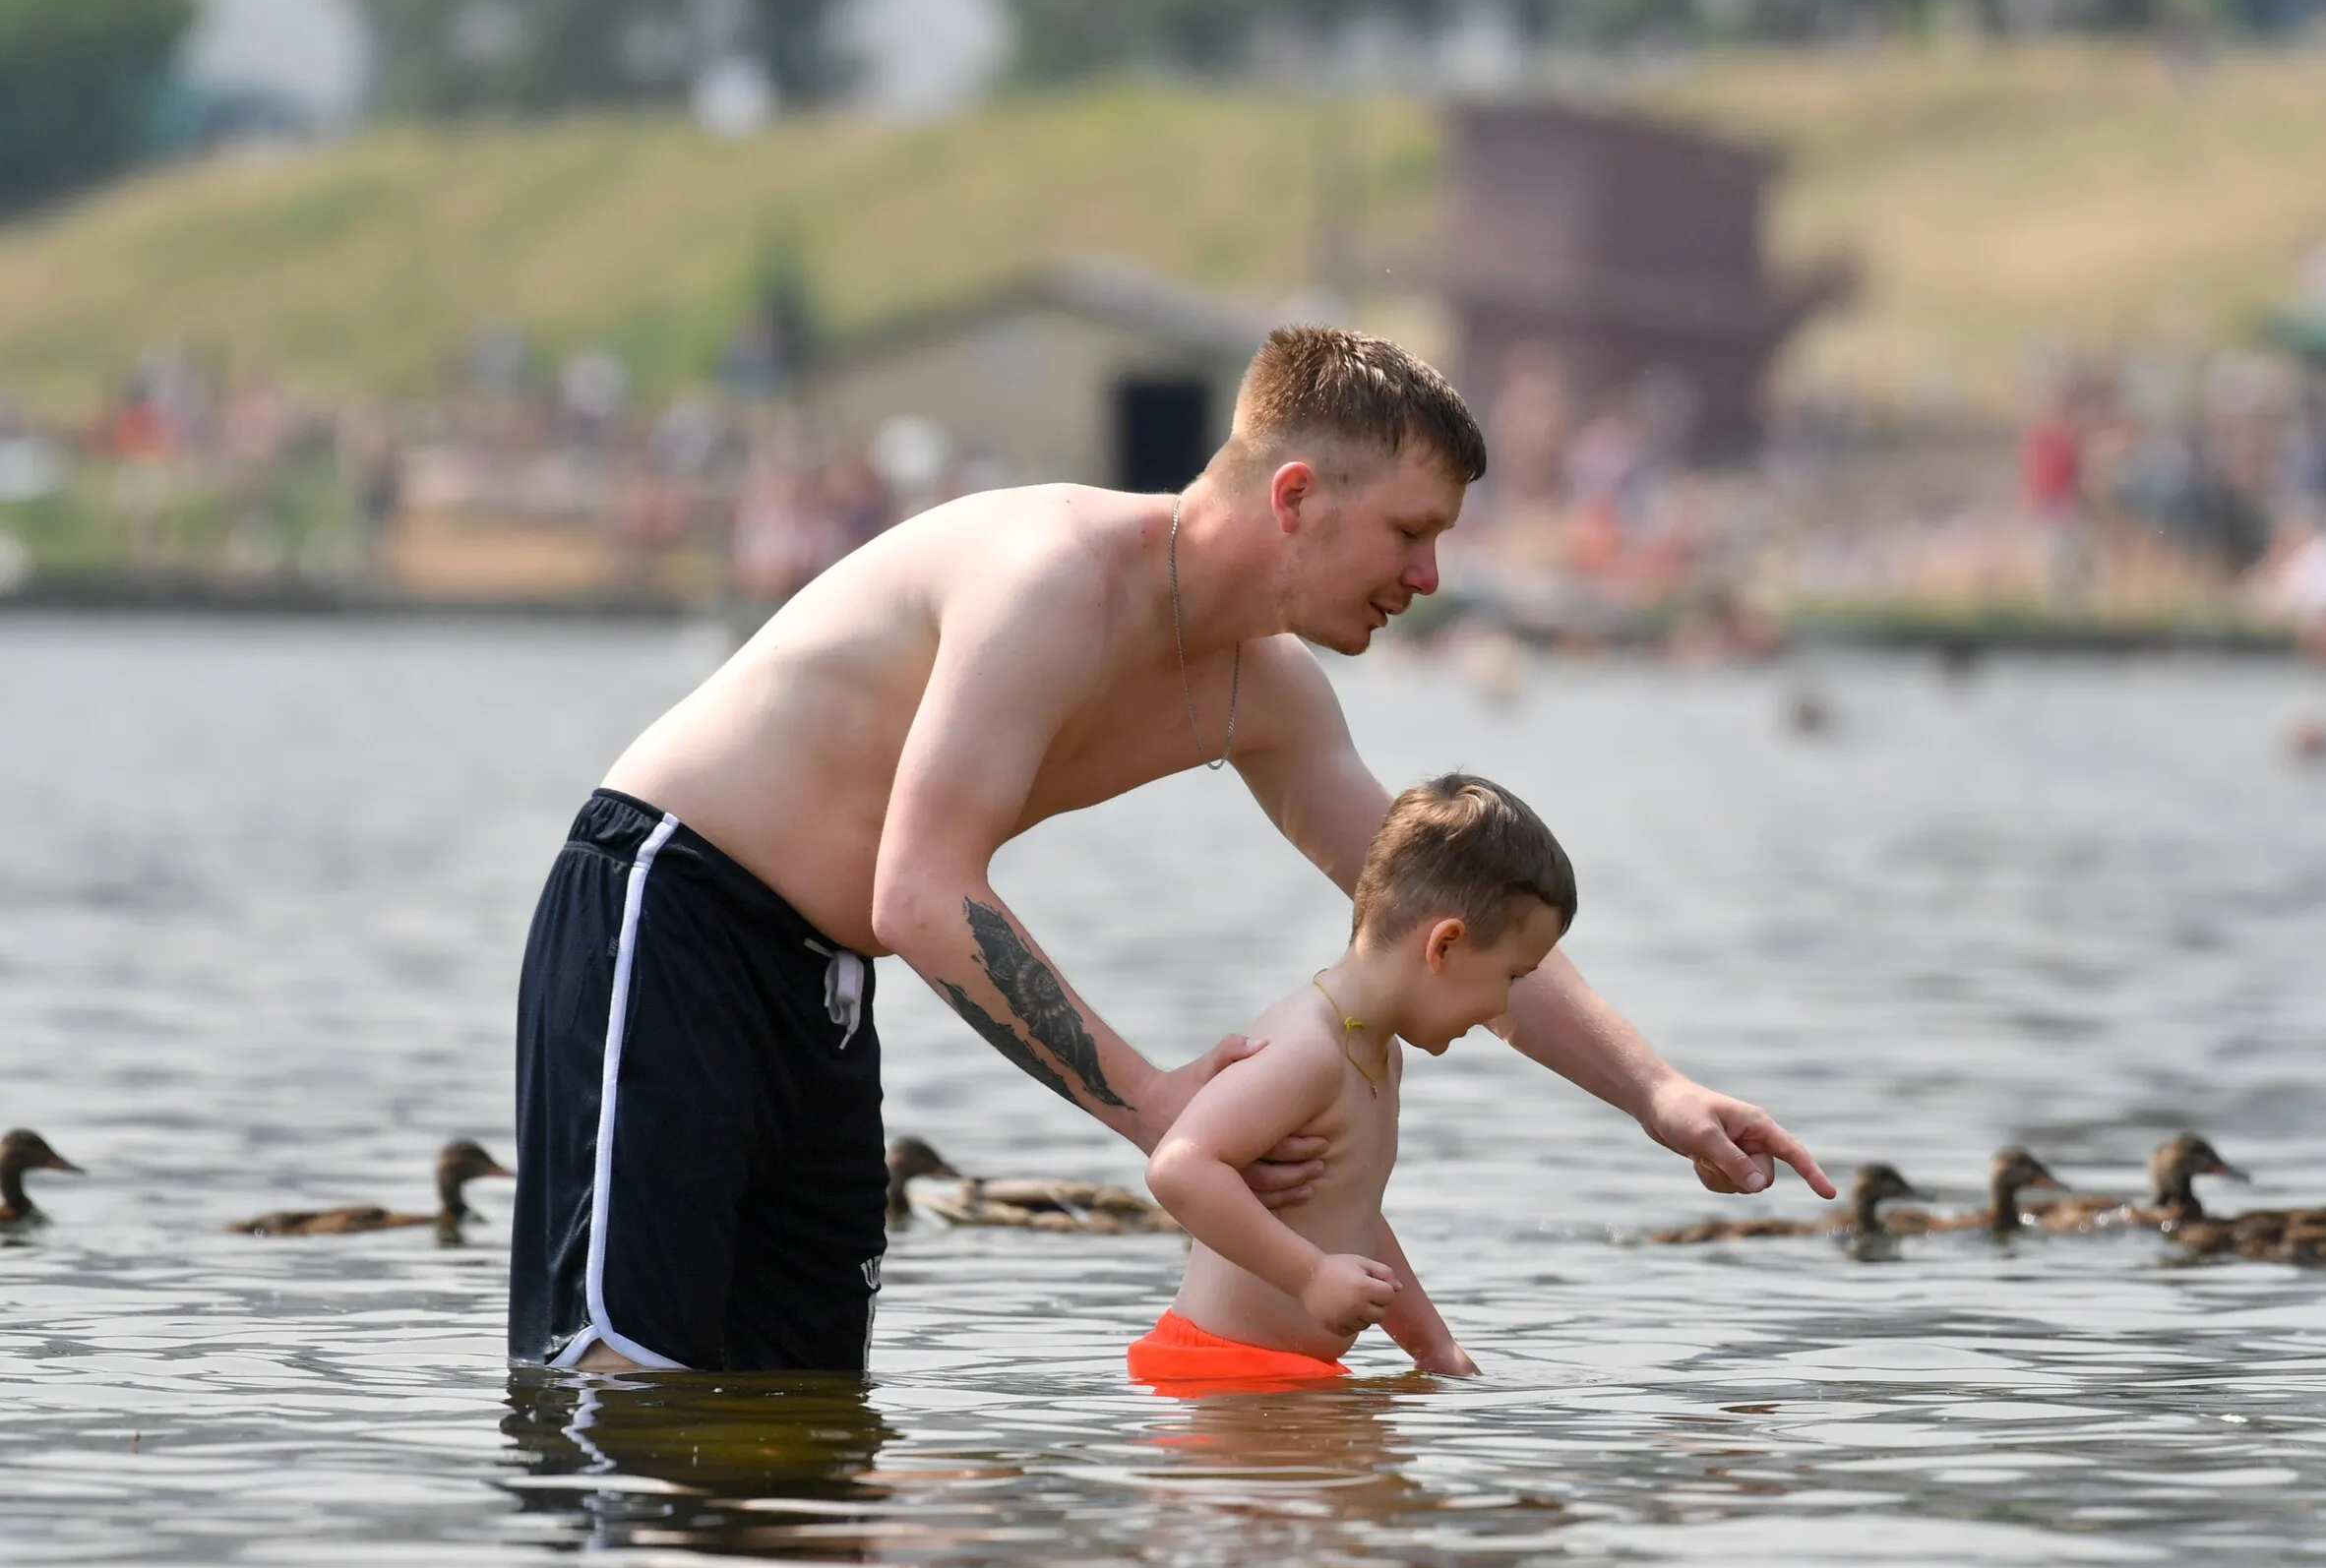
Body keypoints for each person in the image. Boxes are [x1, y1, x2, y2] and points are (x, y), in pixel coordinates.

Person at [511, 326, 1831, 1375]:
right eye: (1413, 533)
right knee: (626, 1380)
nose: (1430, 580)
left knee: (800, 1405)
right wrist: (1154, 1105)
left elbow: (1455, 925)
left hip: (821, 978)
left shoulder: (1273, 694)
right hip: (670, 906)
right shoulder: (1053, 581)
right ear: (1299, 496)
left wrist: (1656, 1092)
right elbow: (920, 894)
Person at [1132, 774, 1569, 1392]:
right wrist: (1310, 1275)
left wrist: (1436, 1348)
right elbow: (1178, 1167)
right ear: (1444, 945)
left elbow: (1352, 1216)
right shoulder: (1308, 1049)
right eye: (1512, 975)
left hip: (1283, 1376)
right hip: (1221, 1373)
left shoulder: (1378, 1052)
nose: (1505, 1002)